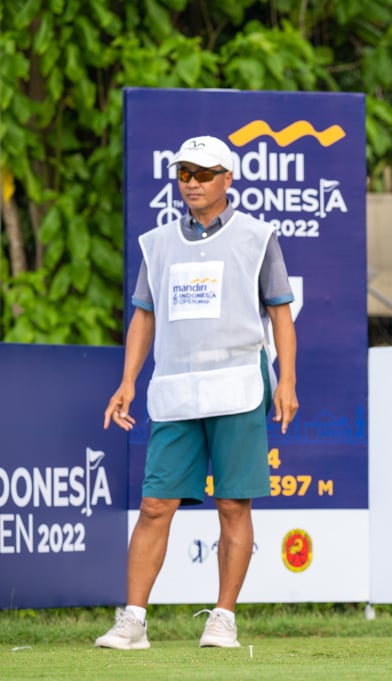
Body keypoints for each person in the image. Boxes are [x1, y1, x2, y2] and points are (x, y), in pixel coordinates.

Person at [95, 135, 299, 650]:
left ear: (227, 179)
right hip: (176, 392)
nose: (192, 183)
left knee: (233, 506)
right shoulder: (158, 242)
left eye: (204, 174)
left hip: (239, 388)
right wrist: (126, 383)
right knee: (155, 506)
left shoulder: (258, 236)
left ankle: (223, 619)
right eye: (184, 173)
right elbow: (144, 315)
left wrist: (288, 381)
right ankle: (133, 621)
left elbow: (279, 313)